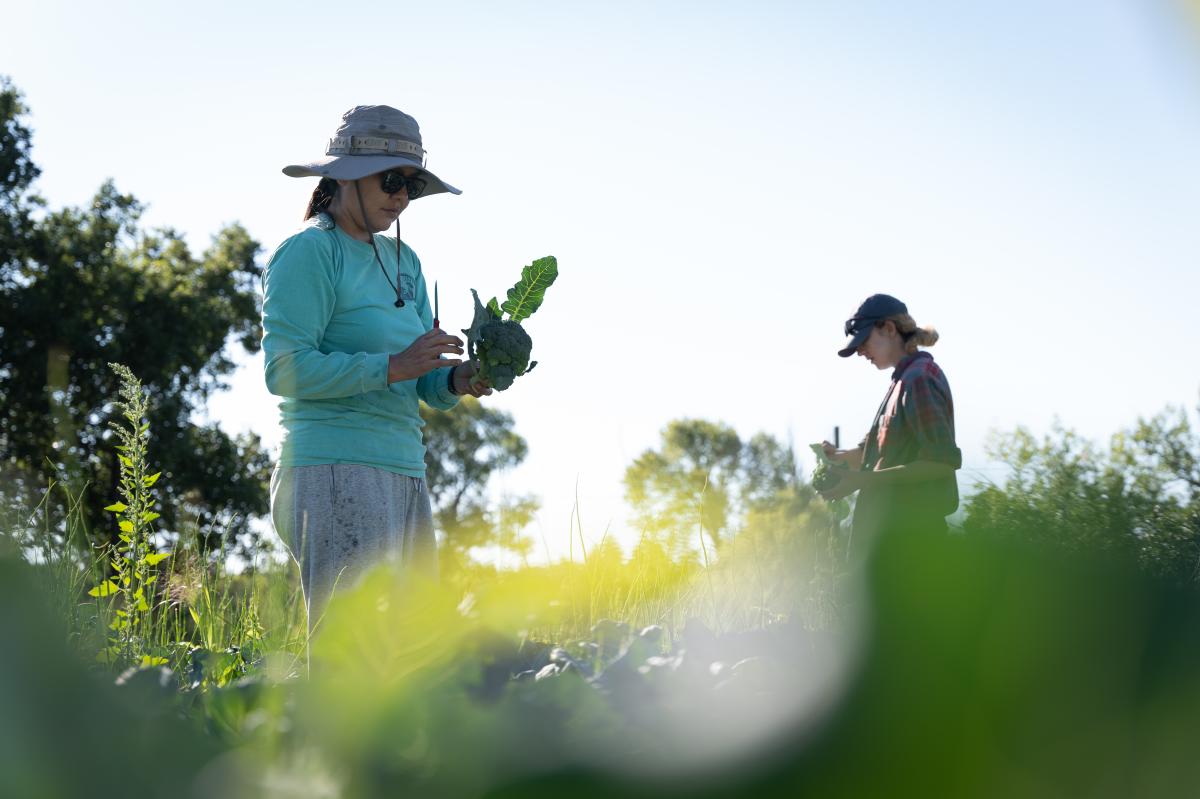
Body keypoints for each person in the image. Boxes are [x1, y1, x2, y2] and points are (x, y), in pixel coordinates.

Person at [261, 105, 490, 630]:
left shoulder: (404, 260)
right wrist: (392, 366)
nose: (401, 197)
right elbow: (285, 370)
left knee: (409, 661)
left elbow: (420, 381)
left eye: (411, 185)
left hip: (406, 471)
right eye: (391, 181)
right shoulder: (309, 252)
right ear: (346, 177)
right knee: (354, 663)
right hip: (334, 470)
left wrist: (456, 380)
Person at [817, 294, 962, 545]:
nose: (860, 352)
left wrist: (864, 480)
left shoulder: (919, 379)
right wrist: (840, 457)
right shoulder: (901, 381)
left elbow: (941, 463)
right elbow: (884, 455)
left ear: (889, 329)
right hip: (892, 542)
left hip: (914, 544)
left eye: (863, 341)